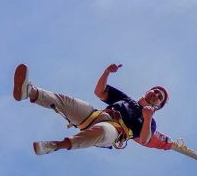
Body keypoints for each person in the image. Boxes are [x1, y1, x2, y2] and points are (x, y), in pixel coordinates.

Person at [13, 63, 174, 155]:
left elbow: (145, 139)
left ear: (158, 106)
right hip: (95, 116)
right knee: (67, 101)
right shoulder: (127, 99)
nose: (156, 94)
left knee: (103, 131)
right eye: (155, 91)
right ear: (148, 91)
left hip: (114, 132)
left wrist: (147, 118)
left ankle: (55, 145)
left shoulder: (150, 122)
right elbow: (100, 92)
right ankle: (29, 92)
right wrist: (106, 73)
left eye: (160, 97)